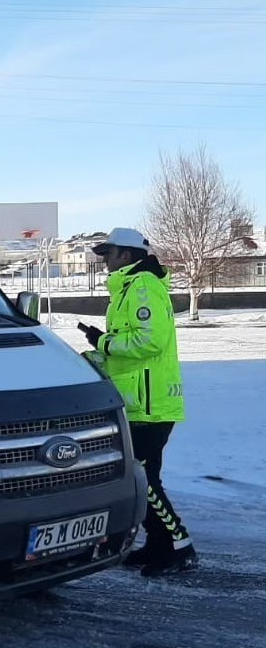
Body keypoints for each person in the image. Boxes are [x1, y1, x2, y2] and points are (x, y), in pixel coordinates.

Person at [81, 228, 198, 577]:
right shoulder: (129, 288)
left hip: (150, 404)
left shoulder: (143, 287)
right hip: (138, 401)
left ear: (128, 255)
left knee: (143, 478)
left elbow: (149, 341)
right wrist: (92, 355)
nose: (105, 259)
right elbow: (127, 348)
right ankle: (159, 545)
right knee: (144, 478)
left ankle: (180, 546)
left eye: (110, 252)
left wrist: (103, 344)